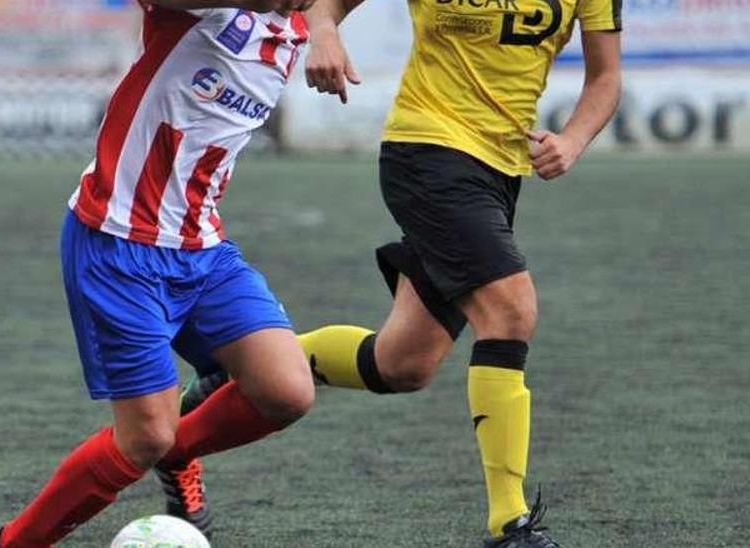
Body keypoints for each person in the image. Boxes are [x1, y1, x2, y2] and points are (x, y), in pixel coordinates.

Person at [168, 0, 623, 545]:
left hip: (501, 171)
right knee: (511, 309)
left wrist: (572, 139)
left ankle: (241, 368)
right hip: (427, 151)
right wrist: (323, 32)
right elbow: (324, 7)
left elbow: (606, 75)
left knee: (402, 363)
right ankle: (511, 526)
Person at [0, 1, 319, 546]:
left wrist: (326, 30)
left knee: (287, 392)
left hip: (203, 247)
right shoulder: (198, 12)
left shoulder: (303, 21)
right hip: (118, 246)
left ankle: (179, 451)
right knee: (143, 437)